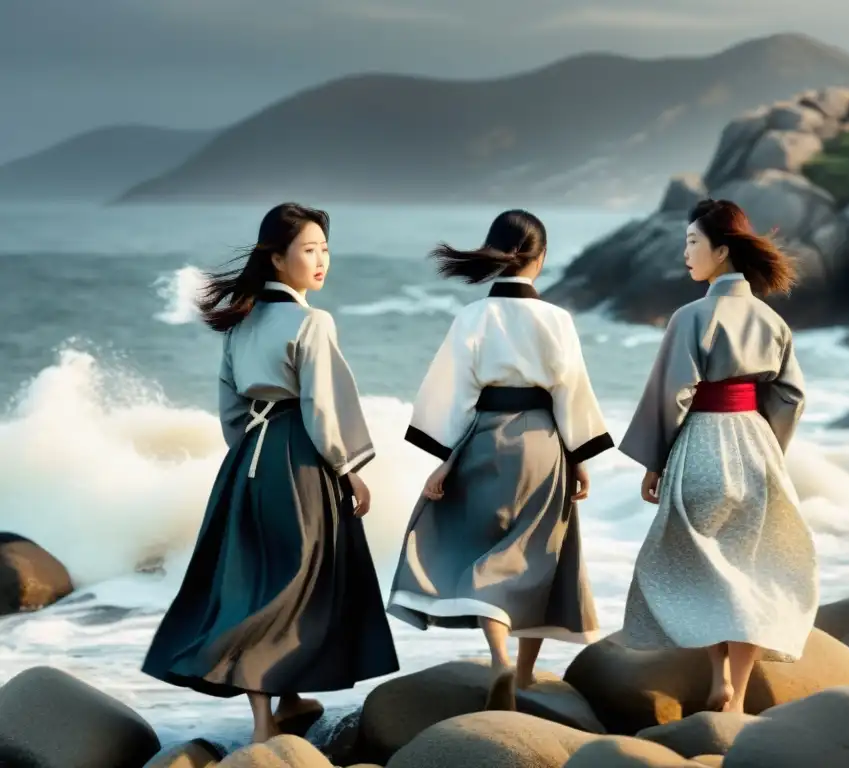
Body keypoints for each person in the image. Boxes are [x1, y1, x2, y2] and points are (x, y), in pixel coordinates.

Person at [141, 203, 399, 743]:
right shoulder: (312, 322)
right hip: (299, 458)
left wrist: (247, 457)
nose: (322, 260)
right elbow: (324, 406)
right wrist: (350, 469)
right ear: (278, 259)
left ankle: (283, 703)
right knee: (300, 578)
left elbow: (230, 407)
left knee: (261, 581)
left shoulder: (242, 321)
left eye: (325, 249)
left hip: (247, 463)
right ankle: (268, 724)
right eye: (309, 250)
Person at [387, 209, 613, 688]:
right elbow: (571, 391)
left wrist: (445, 461)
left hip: (485, 441)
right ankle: (527, 673)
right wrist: (580, 459)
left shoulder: (472, 316)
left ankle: (498, 659)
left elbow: (451, 395)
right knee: (538, 554)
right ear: (542, 258)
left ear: (492, 253)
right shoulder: (557, 319)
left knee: (484, 552)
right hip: (544, 443)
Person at [617, 198, 819, 715]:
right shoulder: (772, 321)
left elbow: (672, 394)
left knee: (705, 569)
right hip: (755, 446)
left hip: (701, 444)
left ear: (721, 250)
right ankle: (740, 692)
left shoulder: (691, 316)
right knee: (752, 569)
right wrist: (770, 447)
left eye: (692, 243)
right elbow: (791, 396)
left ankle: (716, 677)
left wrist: (653, 461)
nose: (685, 253)